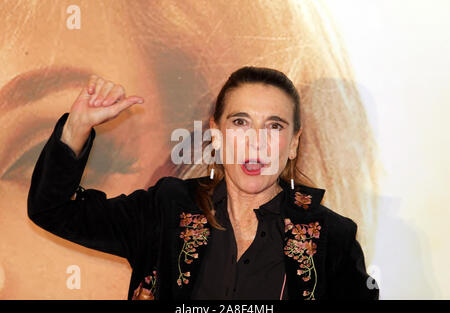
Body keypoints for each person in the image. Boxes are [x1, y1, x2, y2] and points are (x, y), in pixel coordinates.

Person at [27, 66, 379, 300]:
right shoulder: (167, 209)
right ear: (218, 134)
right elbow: (53, 209)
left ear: (294, 144)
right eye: (241, 122)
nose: (256, 141)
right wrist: (76, 129)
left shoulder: (332, 237)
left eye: (274, 126)